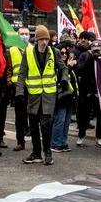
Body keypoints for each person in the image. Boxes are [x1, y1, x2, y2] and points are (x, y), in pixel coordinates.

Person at [16, 24, 68, 166]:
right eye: (41, 39)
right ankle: (36, 153)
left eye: (46, 39)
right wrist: (19, 92)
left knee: (46, 124)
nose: (44, 42)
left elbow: (63, 68)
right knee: (33, 125)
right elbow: (22, 73)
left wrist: (64, 79)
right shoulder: (28, 53)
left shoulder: (54, 52)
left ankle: (48, 153)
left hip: (49, 95)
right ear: (37, 40)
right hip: (33, 95)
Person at [75, 39, 101, 148]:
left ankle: (99, 137)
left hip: (99, 90)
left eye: (98, 50)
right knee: (84, 114)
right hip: (86, 89)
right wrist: (90, 58)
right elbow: (79, 68)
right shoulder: (84, 56)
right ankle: (81, 135)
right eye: (94, 50)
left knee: (100, 116)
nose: (96, 52)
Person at [7, 27, 31, 151]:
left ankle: (35, 140)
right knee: (20, 117)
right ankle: (20, 141)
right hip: (18, 88)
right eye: (22, 34)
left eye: (26, 34)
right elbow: (8, 68)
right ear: (17, 36)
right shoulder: (11, 50)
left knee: (33, 116)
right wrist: (10, 82)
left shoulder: (32, 49)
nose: (24, 36)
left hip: (33, 87)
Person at [51, 46, 78, 153]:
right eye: (61, 53)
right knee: (59, 121)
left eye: (66, 53)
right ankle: (55, 143)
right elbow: (62, 79)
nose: (64, 55)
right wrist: (68, 67)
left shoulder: (67, 66)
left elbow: (74, 83)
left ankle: (63, 142)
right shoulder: (55, 67)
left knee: (66, 122)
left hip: (69, 98)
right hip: (59, 98)